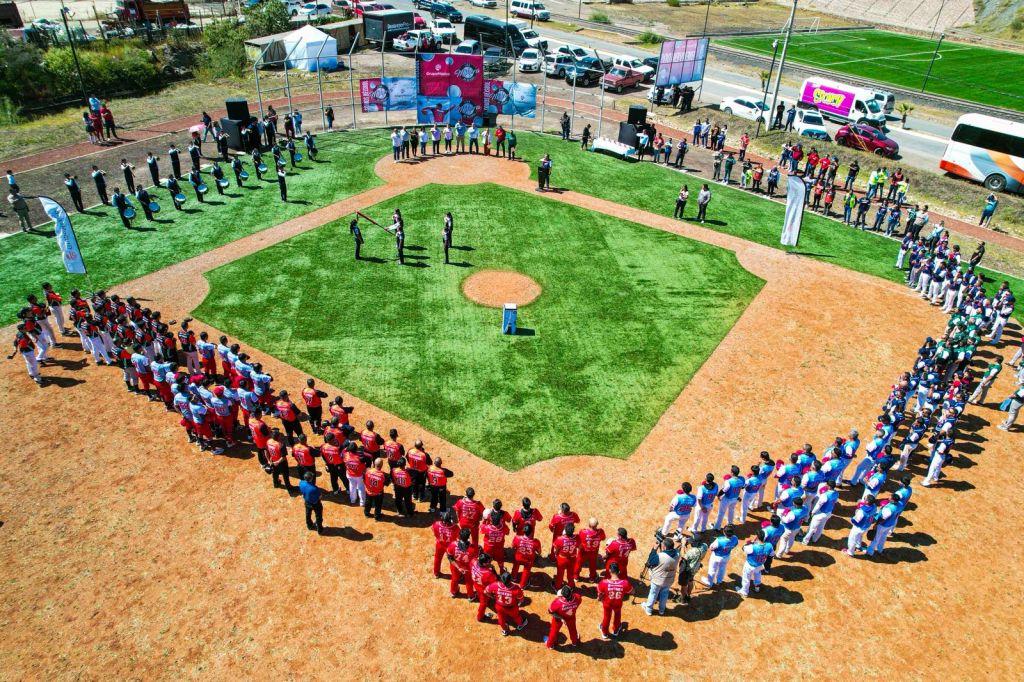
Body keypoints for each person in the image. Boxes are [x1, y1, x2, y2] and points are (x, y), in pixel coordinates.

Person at [642, 536, 680, 616]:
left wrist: (654, 549)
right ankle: (661, 610)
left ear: (664, 547)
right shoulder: (677, 554)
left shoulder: (660, 556)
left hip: (658, 580)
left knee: (653, 593)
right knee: (665, 593)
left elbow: (650, 561)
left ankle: (649, 609)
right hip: (669, 579)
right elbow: (676, 550)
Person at [484, 572, 528, 636]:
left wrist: (492, 596)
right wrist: (518, 603)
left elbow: (485, 591)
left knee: (501, 618)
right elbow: (521, 599)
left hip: (499, 606)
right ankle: (521, 624)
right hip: (512, 608)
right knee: (516, 616)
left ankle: (504, 630)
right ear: (510, 580)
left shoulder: (496, 585)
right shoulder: (516, 589)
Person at [597, 562, 631, 640]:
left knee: (606, 617)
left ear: (609, 571)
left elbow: (599, 594)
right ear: (619, 572)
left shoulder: (604, 582)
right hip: (618, 603)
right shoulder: (625, 583)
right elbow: (632, 591)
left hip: (607, 604)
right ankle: (616, 630)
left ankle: (605, 633)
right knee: (617, 615)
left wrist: (599, 598)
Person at [737, 530, 772, 597]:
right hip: (759, 565)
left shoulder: (752, 547)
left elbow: (743, 548)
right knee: (757, 576)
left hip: (749, 566)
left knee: (746, 578)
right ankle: (757, 588)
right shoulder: (769, 545)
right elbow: (771, 554)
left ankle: (744, 592)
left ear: (757, 537)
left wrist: (749, 543)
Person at [447, 528, 478, 598]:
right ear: (468, 537)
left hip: (456, 566)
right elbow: (475, 560)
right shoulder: (473, 548)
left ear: (459, 536)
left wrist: (459, 568)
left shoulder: (453, 545)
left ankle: (453, 592)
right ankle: (470, 596)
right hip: (467, 568)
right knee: (469, 582)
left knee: (454, 579)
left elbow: (450, 557)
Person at [552, 523, 580, 590]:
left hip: (562, 559)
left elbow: (555, 550)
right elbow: (580, 547)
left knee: (560, 574)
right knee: (570, 574)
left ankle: (557, 587)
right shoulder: (577, 537)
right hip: (572, 558)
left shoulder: (559, 539)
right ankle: (571, 586)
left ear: (565, 530)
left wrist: (556, 554)